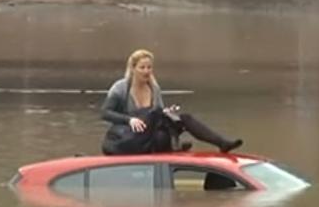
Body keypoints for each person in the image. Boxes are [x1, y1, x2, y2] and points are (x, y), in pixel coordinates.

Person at [100, 49, 243, 155]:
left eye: (149, 67)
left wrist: (167, 112)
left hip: (151, 134)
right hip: (130, 137)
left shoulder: (154, 88)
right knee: (161, 132)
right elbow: (105, 113)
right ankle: (175, 147)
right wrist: (129, 119)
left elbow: (158, 115)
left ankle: (221, 143)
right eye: (142, 68)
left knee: (183, 118)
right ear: (133, 69)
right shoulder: (121, 88)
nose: (146, 71)